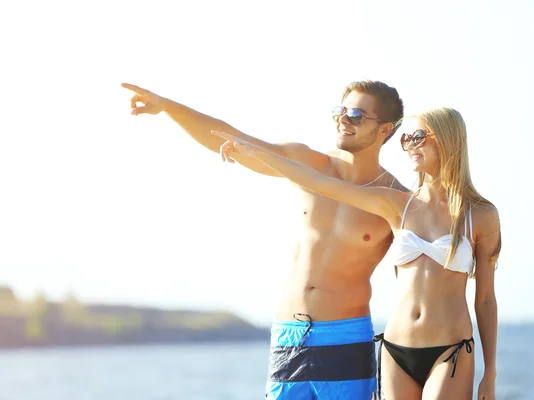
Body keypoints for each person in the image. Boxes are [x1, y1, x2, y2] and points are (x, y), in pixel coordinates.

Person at [122, 80, 407, 399]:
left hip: (345, 337)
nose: (343, 119)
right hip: (288, 336)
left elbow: (423, 276)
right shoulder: (307, 163)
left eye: (356, 114)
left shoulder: (396, 200)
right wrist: (168, 106)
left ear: (384, 130)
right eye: (340, 111)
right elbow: (230, 136)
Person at [212, 106, 501, 400]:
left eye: (418, 137)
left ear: (448, 140)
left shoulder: (480, 216)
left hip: (450, 350)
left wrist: (489, 374)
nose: (410, 146)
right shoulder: (396, 204)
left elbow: (486, 298)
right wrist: (256, 153)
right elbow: (321, 183)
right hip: (395, 350)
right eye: (406, 140)